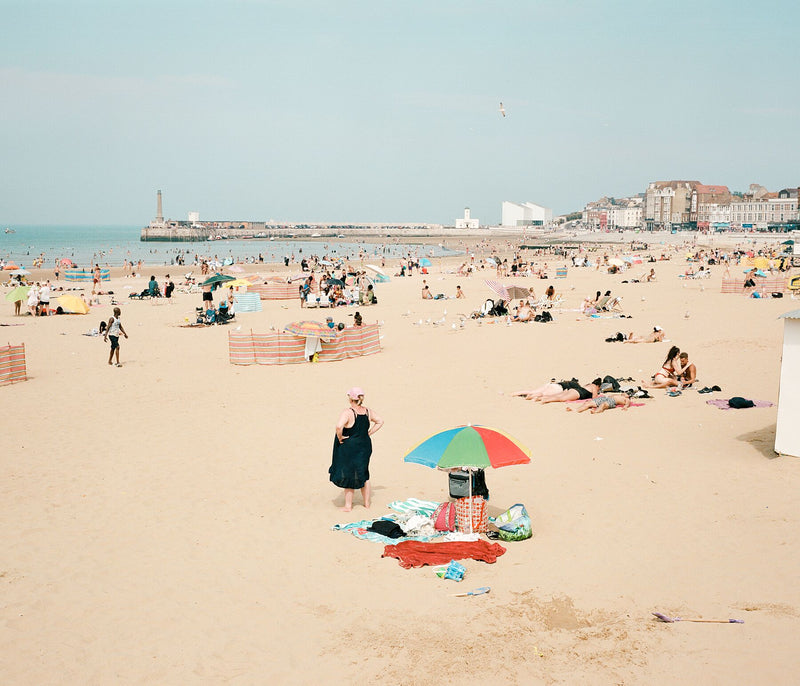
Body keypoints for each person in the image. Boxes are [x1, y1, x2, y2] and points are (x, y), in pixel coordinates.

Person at [329, 387, 384, 512]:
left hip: (350, 446)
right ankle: (367, 503)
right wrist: (369, 433)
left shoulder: (348, 412)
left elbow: (338, 426)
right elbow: (380, 421)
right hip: (365, 445)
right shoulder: (367, 411)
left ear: (350, 398)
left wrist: (340, 436)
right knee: (364, 472)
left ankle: (348, 506)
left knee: (349, 473)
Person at [512, 378, 601, 403]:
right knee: (560, 398)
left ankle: (515, 393)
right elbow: (594, 397)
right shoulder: (594, 386)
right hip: (561, 389)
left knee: (533, 391)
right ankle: (540, 399)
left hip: (553, 384)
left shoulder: (587, 385)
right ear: (598, 385)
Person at [566, 392, 632, 413]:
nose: (625, 393)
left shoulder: (627, 399)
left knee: (603, 405)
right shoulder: (619, 394)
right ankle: (576, 410)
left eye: (627, 393)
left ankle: (596, 411)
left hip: (612, 401)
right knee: (588, 403)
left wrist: (625, 407)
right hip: (605, 398)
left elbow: (627, 404)